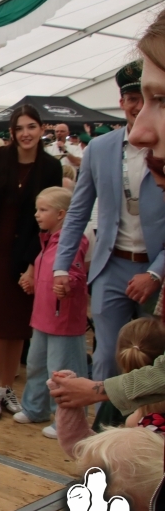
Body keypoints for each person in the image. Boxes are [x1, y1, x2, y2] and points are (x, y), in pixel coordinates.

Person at [54, 63, 165, 388]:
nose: (139, 107)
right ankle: (104, 419)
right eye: (132, 98)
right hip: (111, 265)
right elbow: (77, 212)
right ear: (121, 102)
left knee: (152, 356)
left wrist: (156, 274)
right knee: (106, 355)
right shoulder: (100, 149)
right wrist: (61, 266)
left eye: (149, 99)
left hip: (157, 269)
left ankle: (146, 418)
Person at [0, 105, 62, 416]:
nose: (26, 133)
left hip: (29, 255)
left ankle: (8, 388)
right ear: (12, 132)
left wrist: (33, 262)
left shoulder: (50, 167)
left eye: (31, 127)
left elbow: (49, 222)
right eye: (20, 128)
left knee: (18, 325)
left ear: (41, 129)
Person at [10, 187, 89, 433]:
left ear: (61, 214)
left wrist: (68, 285)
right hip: (43, 316)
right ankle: (35, 408)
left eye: (43, 210)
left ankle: (67, 422)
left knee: (63, 371)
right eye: (37, 209)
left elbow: (78, 276)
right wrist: (34, 282)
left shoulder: (73, 242)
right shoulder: (48, 241)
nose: (37, 214)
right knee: (36, 365)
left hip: (63, 319)